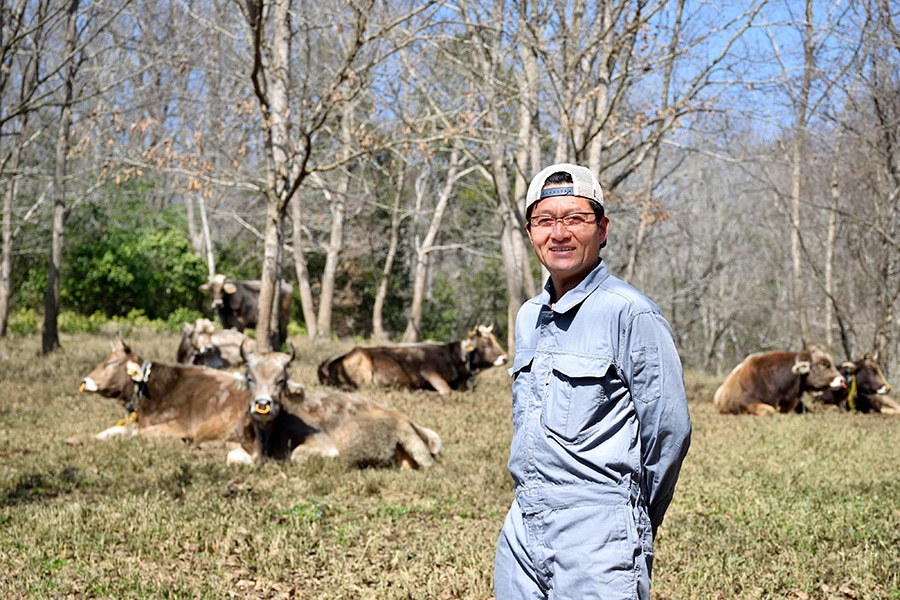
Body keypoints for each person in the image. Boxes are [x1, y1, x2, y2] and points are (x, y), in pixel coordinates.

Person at [493, 163, 692, 600]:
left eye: (574, 219)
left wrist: (631, 517)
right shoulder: (529, 316)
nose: (559, 233)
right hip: (522, 526)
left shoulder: (631, 313)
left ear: (602, 229)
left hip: (598, 533)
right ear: (530, 233)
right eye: (545, 220)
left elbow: (669, 431)